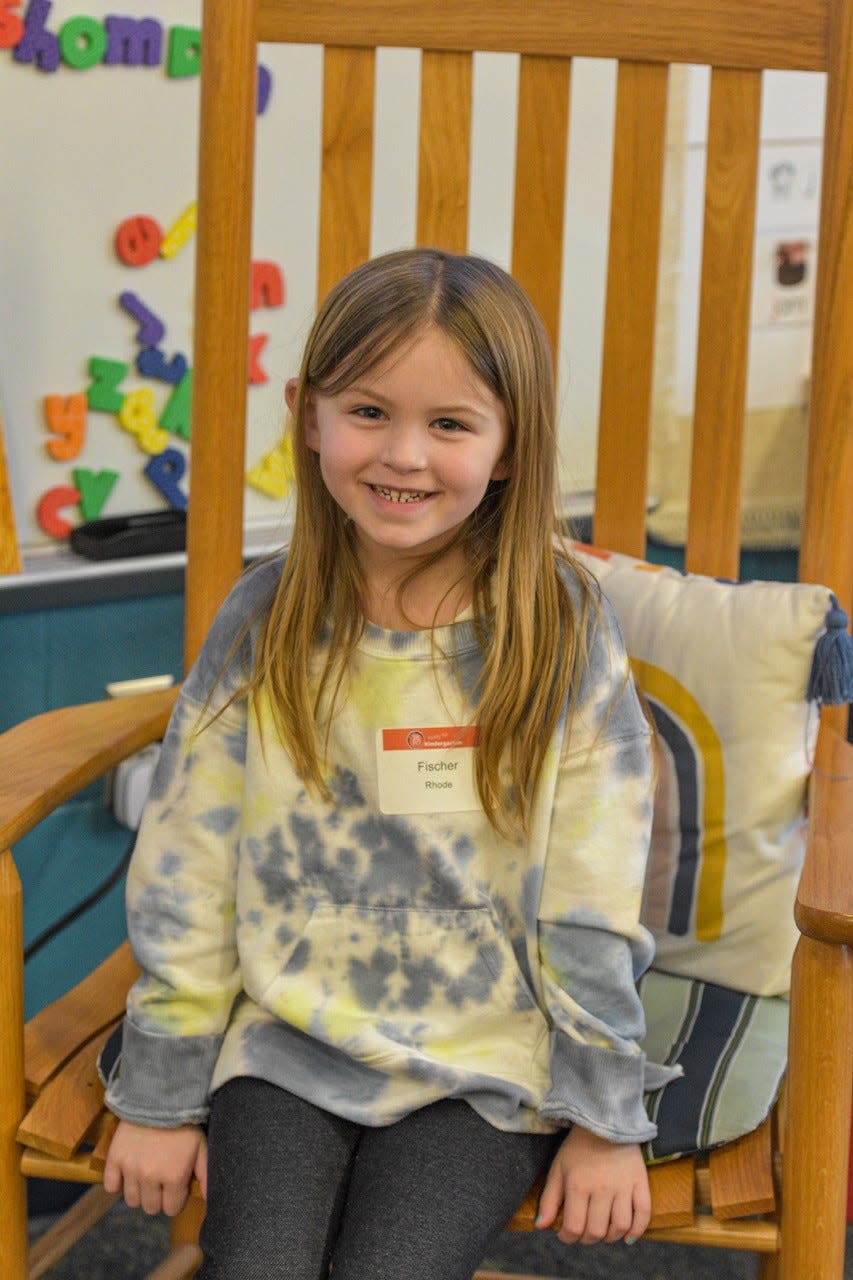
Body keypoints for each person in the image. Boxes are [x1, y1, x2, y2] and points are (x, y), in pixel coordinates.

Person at [103, 248, 676, 1279]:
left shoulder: (556, 627)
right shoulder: (264, 619)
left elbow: (595, 889)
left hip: (488, 1056)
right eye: (368, 411)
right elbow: (186, 861)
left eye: (450, 424)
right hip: (285, 1036)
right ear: (308, 413)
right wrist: (160, 1090)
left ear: (508, 447)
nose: (403, 454)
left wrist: (605, 1113)